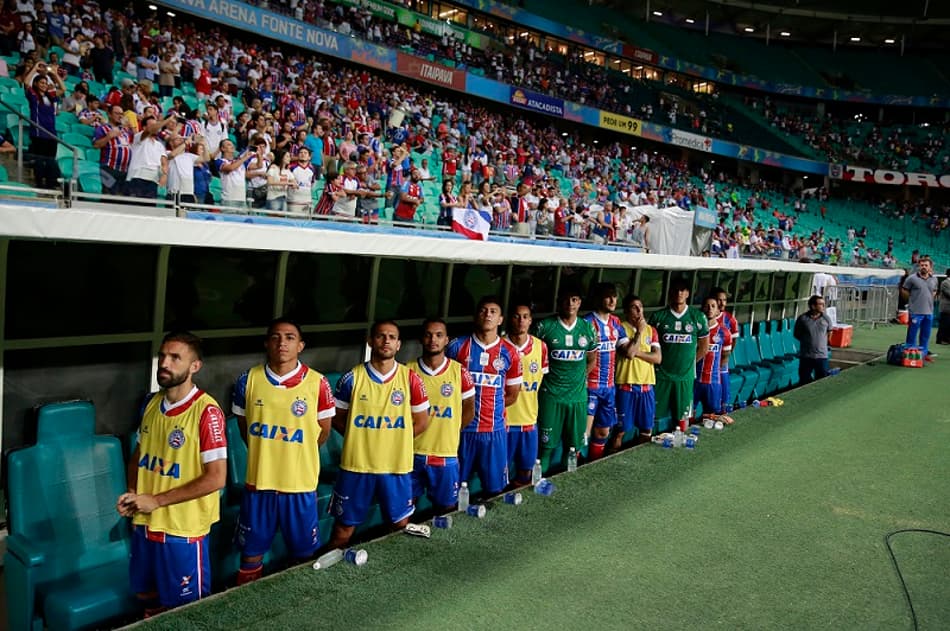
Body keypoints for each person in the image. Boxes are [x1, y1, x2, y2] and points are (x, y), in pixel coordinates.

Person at [117, 332, 227, 617]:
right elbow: (139, 455)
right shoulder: (151, 404)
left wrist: (156, 500)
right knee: (146, 595)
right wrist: (133, 493)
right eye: (163, 356)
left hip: (182, 531)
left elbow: (216, 478)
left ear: (195, 366)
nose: (164, 363)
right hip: (145, 524)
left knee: (186, 611)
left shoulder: (207, 412)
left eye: (175, 358)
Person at [231, 319, 335, 584]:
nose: (282, 343)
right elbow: (246, 429)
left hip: (298, 485)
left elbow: (321, 433)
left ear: (300, 345)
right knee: (251, 555)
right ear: (267, 343)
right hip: (259, 485)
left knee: (303, 555)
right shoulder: (248, 380)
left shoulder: (318, 383)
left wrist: (295, 455)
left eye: (289, 337)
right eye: (275, 337)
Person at [328, 320, 429, 549]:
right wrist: (359, 438)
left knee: (401, 525)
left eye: (391, 337)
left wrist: (394, 441)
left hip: (395, 467)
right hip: (356, 467)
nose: (386, 341)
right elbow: (336, 417)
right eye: (381, 336)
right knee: (343, 529)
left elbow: (422, 422)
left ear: (399, 344)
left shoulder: (411, 379)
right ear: (371, 341)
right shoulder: (352, 378)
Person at [446, 296, 522, 498]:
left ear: (500, 319)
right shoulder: (457, 346)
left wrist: (490, 408)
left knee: (495, 490)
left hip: (493, 432)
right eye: (483, 310)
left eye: (493, 311)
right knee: (454, 490)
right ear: (475, 316)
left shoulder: (510, 353)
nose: (487, 314)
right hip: (462, 430)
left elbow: (513, 395)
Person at [410, 318, 475, 512]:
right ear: (421, 339)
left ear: (446, 340)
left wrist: (451, 431)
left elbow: (469, 409)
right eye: (428, 335)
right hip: (410, 454)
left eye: (439, 335)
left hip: (445, 454)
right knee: (402, 515)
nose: (433, 340)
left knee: (446, 509)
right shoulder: (406, 371)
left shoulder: (459, 372)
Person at [532, 286, 598, 471]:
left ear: (580, 303)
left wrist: (577, 379)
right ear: (559, 302)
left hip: (577, 397)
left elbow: (592, 360)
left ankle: (569, 481)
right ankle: (538, 483)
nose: (571, 303)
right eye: (567, 299)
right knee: (546, 447)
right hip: (551, 397)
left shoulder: (587, 328)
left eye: (575, 299)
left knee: (573, 448)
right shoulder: (544, 327)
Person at [649, 278, 710, 428]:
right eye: (676, 290)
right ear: (670, 292)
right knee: (654, 415)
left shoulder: (698, 317)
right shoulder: (658, 317)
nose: (679, 293)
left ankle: (681, 442)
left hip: (685, 376)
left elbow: (704, 347)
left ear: (688, 293)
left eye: (683, 290)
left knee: (682, 417)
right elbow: (649, 346)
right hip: (661, 375)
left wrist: (688, 363)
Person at [503, 301, 548, 487]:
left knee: (526, 472)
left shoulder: (541, 347)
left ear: (530, 321)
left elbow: (540, 382)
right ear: (508, 320)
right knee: (501, 473)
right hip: (504, 423)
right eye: (516, 316)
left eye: (525, 316)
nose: (521, 320)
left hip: (529, 420)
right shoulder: (500, 347)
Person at [583, 283, 629, 460]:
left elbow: (629, 352)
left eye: (615, 296)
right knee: (584, 433)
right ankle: (576, 468)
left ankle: (594, 464)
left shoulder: (616, 322)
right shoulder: (587, 323)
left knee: (603, 432)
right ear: (598, 299)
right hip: (590, 387)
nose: (612, 300)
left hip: (609, 388)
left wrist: (640, 331)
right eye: (608, 296)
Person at [613, 295, 662, 449]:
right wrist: (639, 333)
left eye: (640, 306)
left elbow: (657, 358)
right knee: (620, 431)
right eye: (634, 307)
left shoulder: (651, 330)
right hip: (626, 386)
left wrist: (637, 352)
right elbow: (628, 353)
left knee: (647, 429)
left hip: (647, 387)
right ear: (627, 310)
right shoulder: (620, 328)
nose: (639, 310)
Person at [694, 296, 733, 423]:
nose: (710, 309)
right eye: (707, 306)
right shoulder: (695, 330)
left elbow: (725, 359)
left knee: (709, 419)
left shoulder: (724, 333)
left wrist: (718, 378)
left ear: (718, 311)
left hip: (713, 383)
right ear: (702, 309)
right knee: (687, 417)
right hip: (694, 381)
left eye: (713, 306)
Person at [901, 257, 938, 362]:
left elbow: (934, 291)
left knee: (925, 335)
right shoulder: (912, 278)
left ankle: (924, 354)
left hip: (929, 312)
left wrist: (929, 299)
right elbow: (904, 290)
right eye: (922, 265)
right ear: (919, 266)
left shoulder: (934, 279)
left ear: (930, 267)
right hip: (916, 312)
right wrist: (912, 300)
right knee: (912, 335)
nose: (924, 267)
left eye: (926, 265)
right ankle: (909, 355)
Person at [92, 104, 133, 195]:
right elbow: (96, 145)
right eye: (117, 113)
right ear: (109, 114)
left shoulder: (126, 131)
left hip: (124, 171)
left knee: (122, 199)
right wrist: (109, 136)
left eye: (122, 114)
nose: (120, 116)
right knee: (109, 197)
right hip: (108, 168)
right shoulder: (102, 129)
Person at [711, 286, 740, 411]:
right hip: (706, 363)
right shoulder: (704, 317)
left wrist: (726, 356)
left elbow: (734, 340)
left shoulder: (730, 319)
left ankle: (723, 412)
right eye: (719, 300)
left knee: (724, 390)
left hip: (722, 363)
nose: (722, 303)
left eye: (724, 300)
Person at [794, 295, 833, 383]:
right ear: (813, 306)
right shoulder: (802, 319)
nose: (823, 306)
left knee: (822, 380)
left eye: (824, 304)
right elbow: (797, 334)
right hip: (806, 356)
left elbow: (830, 332)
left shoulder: (826, 318)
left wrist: (822, 343)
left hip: (822, 356)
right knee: (804, 380)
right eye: (821, 304)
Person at [937, 269, 950, 345]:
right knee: (944, 324)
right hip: (946, 307)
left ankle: (947, 338)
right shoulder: (945, 283)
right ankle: (940, 339)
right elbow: (948, 293)